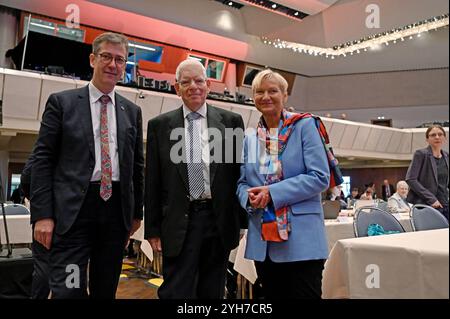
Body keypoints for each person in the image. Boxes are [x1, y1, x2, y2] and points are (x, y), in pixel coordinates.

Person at [30, 32, 144, 298]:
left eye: (119, 59)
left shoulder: (132, 112)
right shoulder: (62, 103)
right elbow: (42, 160)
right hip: (73, 215)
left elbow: (136, 166)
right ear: (93, 59)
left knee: (105, 291)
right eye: (106, 57)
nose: (113, 65)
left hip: (115, 215)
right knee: (69, 290)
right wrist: (42, 215)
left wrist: (135, 214)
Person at [144, 59, 245, 299]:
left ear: (209, 85)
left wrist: (240, 222)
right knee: (175, 291)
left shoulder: (231, 122)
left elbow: (237, 175)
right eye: (185, 82)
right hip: (179, 221)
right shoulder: (159, 126)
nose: (193, 86)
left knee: (212, 290)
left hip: (218, 221)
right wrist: (153, 229)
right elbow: (153, 181)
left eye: (199, 80)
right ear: (176, 88)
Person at [236, 69, 330, 299]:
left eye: (272, 91)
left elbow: (320, 176)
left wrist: (272, 193)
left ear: (285, 96)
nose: (265, 96)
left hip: (302, 243)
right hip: (264, 243)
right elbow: (241, 182)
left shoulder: (305, 126)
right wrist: (248, 197)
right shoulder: (250, 137)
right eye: (259, 92)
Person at [20, 151, 50, 299]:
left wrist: (39, 203)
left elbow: (26, 178)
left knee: (43, 267)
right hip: (72, 214)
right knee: (71, 268)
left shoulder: (45, 147)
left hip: (45, 215)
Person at [406, 125, 449, 220]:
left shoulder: (447, 156)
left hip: (445, 204)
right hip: (427, 205)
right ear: (427, 139)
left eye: (440, 134)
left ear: (444, 138)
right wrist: (431, 199)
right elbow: (411, 179)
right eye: (433, 135)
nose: (437, 137)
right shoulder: (421, 154)